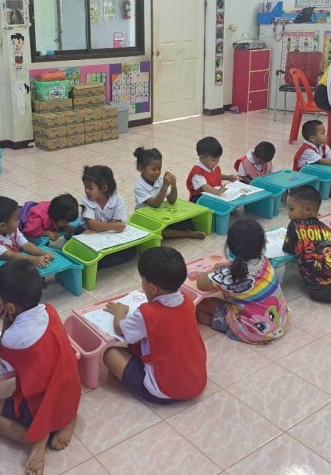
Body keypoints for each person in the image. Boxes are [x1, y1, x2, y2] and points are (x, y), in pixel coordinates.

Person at [0, 262, 81, 475]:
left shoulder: (12, 338)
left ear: (9, 308)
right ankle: (67, 419)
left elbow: (5, 365)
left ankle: (35, 438)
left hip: (41, 404)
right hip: (70, 392)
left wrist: (5, 329)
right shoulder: (50, 311)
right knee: (59, 392)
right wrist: (6, 337)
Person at [103, 247, 207, 405]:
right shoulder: (186, 300)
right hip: (196, 382)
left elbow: (119, 328)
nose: (142, 283)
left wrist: (119, 311)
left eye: (143, 280)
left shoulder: (147, 314)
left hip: (164, 391)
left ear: (152, 289)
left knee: (110, 354)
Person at [195, 218, 289, 343]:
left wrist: (215, 271)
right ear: (264, 243)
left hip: (254, 332)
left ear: (229, 246)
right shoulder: (265, 261)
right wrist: (229, 267)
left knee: (203, 303)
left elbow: (200, 283)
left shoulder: (228, 276)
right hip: (280, 320)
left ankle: (220, 323)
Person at [133, 146, 205, 240]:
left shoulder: (159, 180)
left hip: (158, 213)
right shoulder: (139, 187)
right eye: (153, 169)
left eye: (159, 169)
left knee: (187, 221)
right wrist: (165, 186)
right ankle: (186, 234)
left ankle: (184, 231)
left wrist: (173, 185)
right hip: (145, 216)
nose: (157, 172)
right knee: (159, 232)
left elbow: (172, 200)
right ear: (141, 168)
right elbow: (155, 204)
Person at [0, 196, 53, 270]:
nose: (19, 222)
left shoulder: (11, 229)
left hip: (5, 264)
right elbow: (10, 256)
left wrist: (44, 254)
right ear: (2, 226)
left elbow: (26, 245)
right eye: (16, 220)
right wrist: (33, 259)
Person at [81, 165, 136, 267]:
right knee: (82, 247)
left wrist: (99, 230)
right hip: (90, 233)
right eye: (85, 187)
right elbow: (91, 224)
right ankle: (95, 263)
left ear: (104, 188)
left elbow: (117, 221)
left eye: (90, 188)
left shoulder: (118, 200)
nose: (87, 190)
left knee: (131, 251)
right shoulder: (86, 201)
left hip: (106, 234)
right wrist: (113, 226)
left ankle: (98, 263)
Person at [186, 136, 238, 202]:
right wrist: (217, 192)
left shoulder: (212, 165)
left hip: (214, 194)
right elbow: (205, 187)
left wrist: (228, 177)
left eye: (218, 158)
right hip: (200, 199)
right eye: (214, 160)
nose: (217, 162)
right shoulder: (197, 172)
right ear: (202, 158)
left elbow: (216, 175)